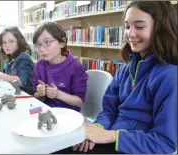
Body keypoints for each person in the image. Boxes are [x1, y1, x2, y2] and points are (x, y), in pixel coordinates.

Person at [55, 1, 177, 154]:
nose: (130, 34)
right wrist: (97, 129)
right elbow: (109, 110)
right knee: (57, 144)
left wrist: (112, 136)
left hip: (133, 147)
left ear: (160, 29)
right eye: (127, 26)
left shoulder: (170, 76)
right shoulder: (124, 70)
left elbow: (165, 143)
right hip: (112, 138)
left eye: (139, 26)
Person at [32, 21, 88, 112]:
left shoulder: (76, 66)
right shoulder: (39, 66)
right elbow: (35, 95)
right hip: (45, 112)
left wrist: (58, 94)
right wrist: (39, 93)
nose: (41, 49)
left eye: (47, 42)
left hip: (68, 114)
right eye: (38, 44)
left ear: (62, 42)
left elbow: (80, 101)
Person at [0, 27, 34, 95]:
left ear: (19, 42)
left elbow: (22, 82)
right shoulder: (10, 59)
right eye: (4, 42)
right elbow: (9, 78)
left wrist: (0, 75)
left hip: (26, 97)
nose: (7, 45)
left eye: (11, 41)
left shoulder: (24, 57)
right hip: (15, 95)